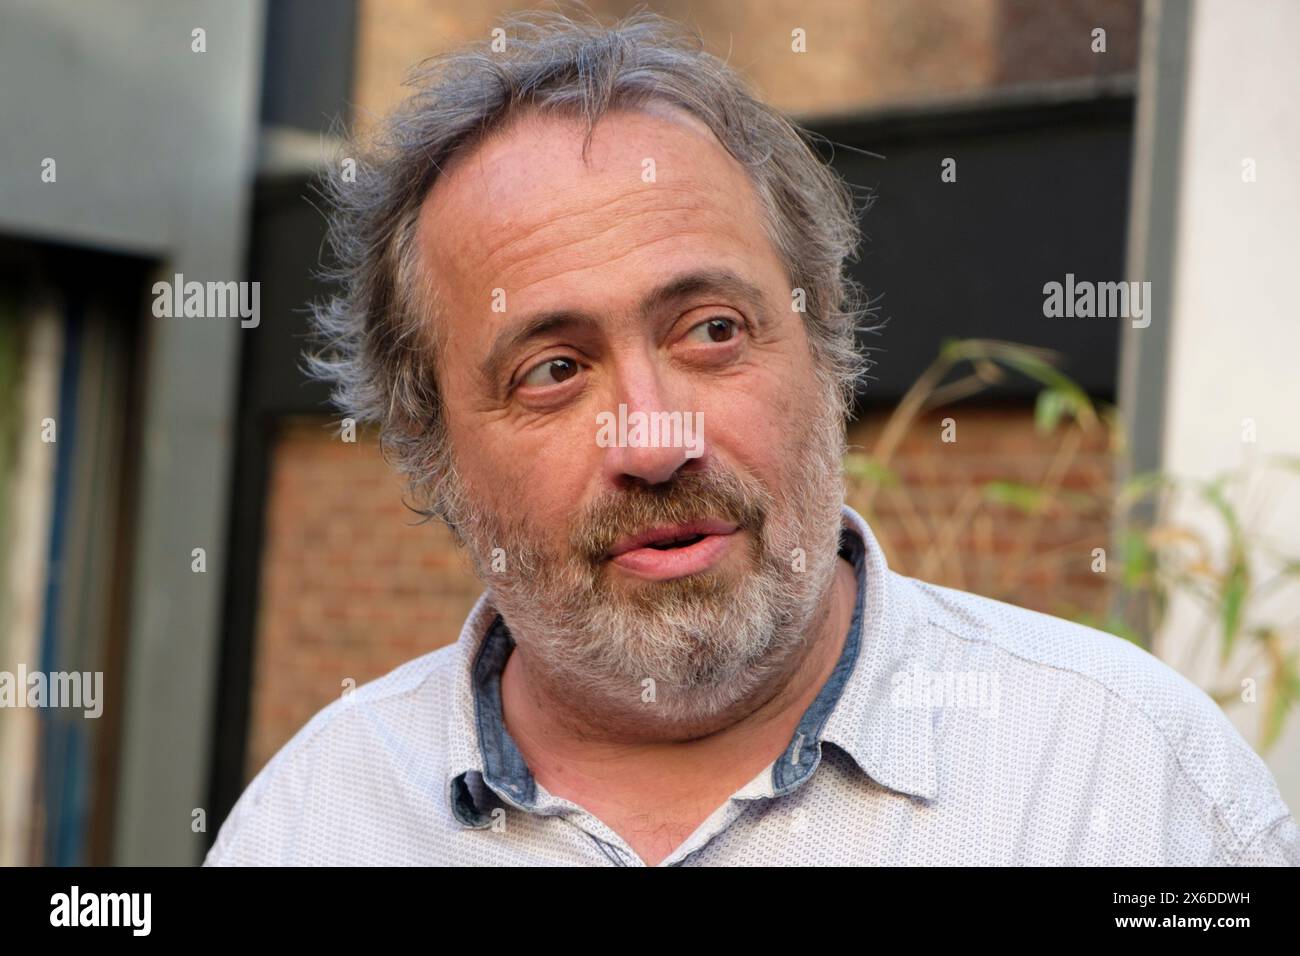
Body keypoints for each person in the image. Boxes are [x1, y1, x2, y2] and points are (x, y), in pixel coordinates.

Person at [205, 10, 1297, 866]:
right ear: (429, 446)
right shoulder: (313, 822)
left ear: (827, 352)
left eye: (712, 330)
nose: (654, 436)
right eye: (552, 370)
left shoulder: (1130, 779)